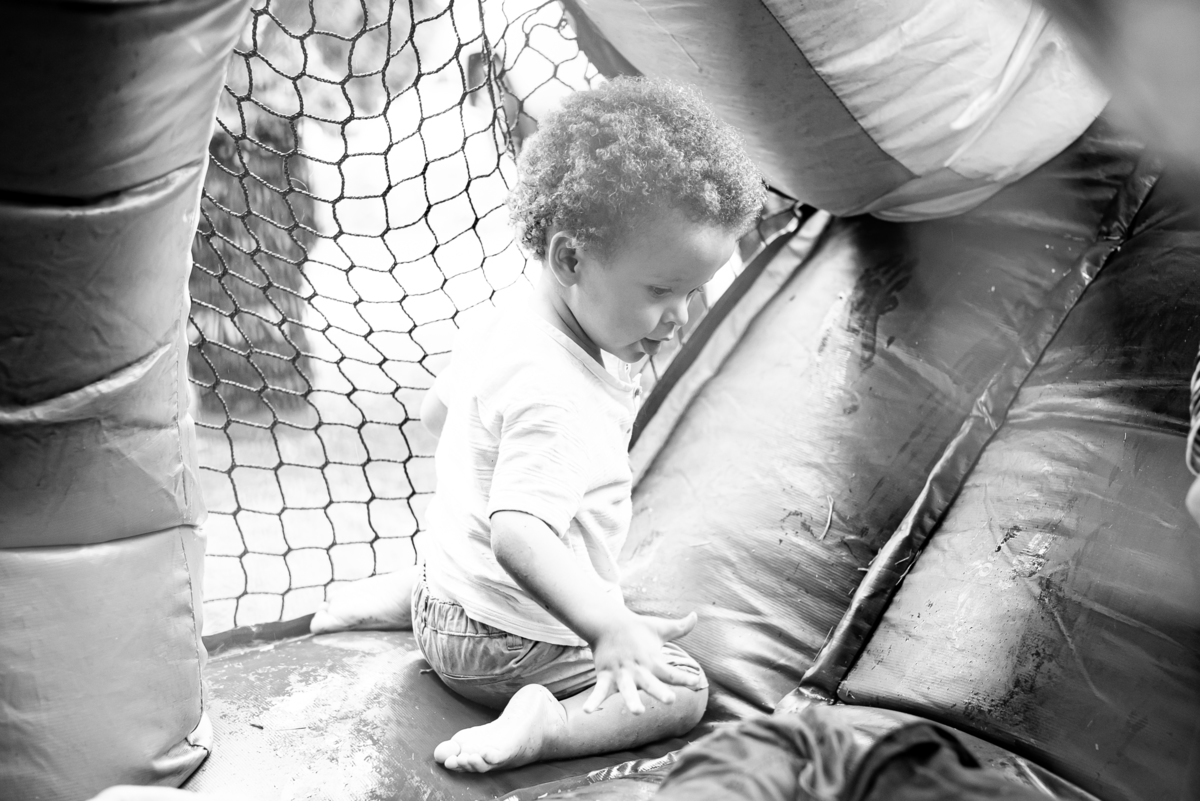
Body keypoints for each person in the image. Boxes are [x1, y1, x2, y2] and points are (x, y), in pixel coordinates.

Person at [310, 77, 765, 772]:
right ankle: (545, 724)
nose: (679, 316)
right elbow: (518, 535)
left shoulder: (509, 319)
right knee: (681, 687)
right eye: (661, 291)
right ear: (571, 257)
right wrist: (608, 627)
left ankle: (415, 593)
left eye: (692, 291)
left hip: (444, 603)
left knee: (473, 551)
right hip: (504, 650)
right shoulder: (560, 392)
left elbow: (437, 417)